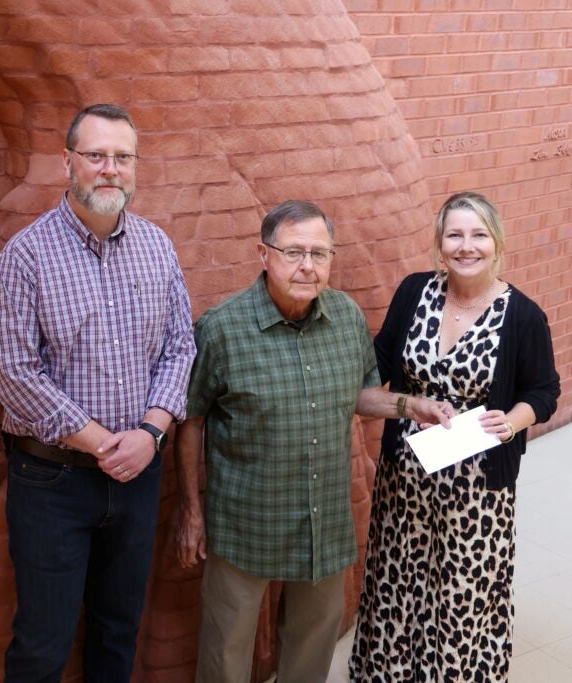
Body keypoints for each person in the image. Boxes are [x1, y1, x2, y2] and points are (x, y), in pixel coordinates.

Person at [174, 200, 453, 683]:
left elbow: (359, 396)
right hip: (245, 521)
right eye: (294, 252)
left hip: (322, 517)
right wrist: (192, 511)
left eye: (320, 254)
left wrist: (411, 406)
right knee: (227, 650)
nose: (308, 266)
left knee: (312, 644)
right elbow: (191, 421)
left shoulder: (344, 316)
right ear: (263, 253)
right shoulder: (221, 329)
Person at [0, 103, 196, 682]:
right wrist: (108, 444)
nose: (110, 169)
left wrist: (151, 433)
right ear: (67, 162)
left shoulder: (157, 247)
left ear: (135, 167)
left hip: (139, 477)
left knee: (117, 632)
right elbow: (14, 373)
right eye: (96, 155)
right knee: (41, 646)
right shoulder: (26, 256)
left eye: (122, 157)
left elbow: (181, 348)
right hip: (52, 482)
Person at [349, 191, 561, 680]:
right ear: (440, 243)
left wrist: (513, 421)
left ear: (497, 242)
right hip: (405, 476)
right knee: (398, 581)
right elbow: (378, 364)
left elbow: (544, 390)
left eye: (479, 235)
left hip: (477, 488)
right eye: (455, 235)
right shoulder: (413, 292)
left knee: (463, 591)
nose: (467, 246)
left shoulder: (522, 316)